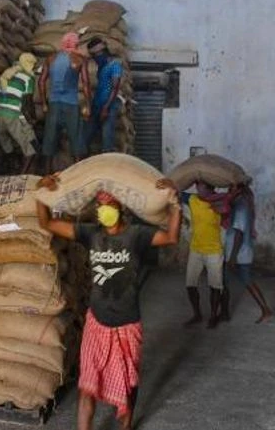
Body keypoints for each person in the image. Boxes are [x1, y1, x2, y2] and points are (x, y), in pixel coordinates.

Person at [36, 176, 181, 430]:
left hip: (127, 326)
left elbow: (171, 237)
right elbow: (46, 222)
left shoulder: (137, 235)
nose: (102, 209)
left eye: (108, 203)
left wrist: (174, 203)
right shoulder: (90, 234)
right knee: (87, 387)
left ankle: (126, 424)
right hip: (97, 323)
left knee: (127, 387)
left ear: (120, 207)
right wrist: (42, 195)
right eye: (99, 204)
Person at [38, 32, 90, 173]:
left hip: (54, 104)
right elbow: (85, 83)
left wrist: (44, 103)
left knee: (49, 139)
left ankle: (46, 175)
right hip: (71, 104)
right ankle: (79, 175)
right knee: (76, 139)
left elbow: (41, 81)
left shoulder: (51, 59)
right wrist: (87, 105)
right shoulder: (80, 60)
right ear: (75, 44)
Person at [221, 183, 272, 323]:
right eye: (229, 187)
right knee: (235, 281)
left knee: (235, 281)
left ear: (240, 189)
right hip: (241, 251)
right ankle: (224, 313)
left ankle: (265, 310)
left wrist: (232, 258)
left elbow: (238, 233)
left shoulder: (241, 206)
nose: (230, 189)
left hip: (238, 253)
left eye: (233, 187)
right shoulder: (241, 203)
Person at [182, 181, 225, 329]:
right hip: (196, 249)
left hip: (214, 251)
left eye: (201, 187)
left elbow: (228, 207)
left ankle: (213, 316)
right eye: (197, 186)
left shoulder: (219, 202)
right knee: (190, 284)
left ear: (210, 188)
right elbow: (176, 192)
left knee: (215, 286)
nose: (197, 189)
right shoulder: (192, 200)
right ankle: (197, 314)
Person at [0, 52, 39, 174]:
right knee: (31, 150)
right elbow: (27, 103)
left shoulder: (8, 73)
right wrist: (32, 119)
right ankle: (21, 178)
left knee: (8, 149)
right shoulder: (28, 78)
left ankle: (10, 173)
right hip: (13, 115)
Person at [83, 38, 123, 154]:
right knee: (85, 138)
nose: (96, 57)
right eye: (94, 55)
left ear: (105, 51)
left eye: (97, 54)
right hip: (96, 105)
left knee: (107, 140)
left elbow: (115, 88)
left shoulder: (115, 65)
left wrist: (106, 108)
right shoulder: (101, 67)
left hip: (108, 106)